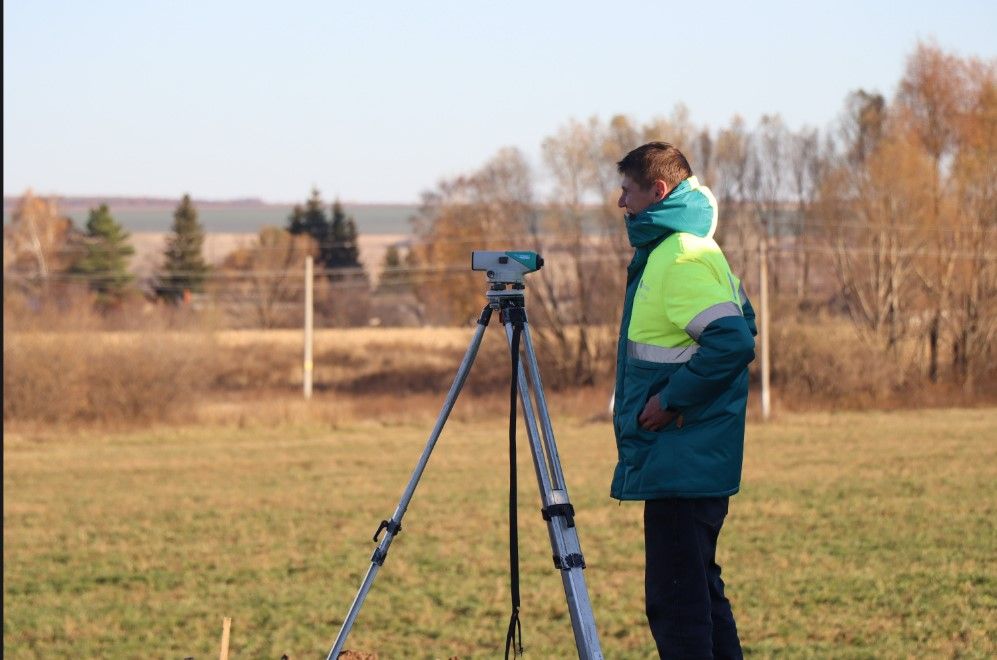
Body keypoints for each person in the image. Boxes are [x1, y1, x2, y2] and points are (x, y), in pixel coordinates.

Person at [611, 142, 757, 659]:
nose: (620, 202)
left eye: (627, 190)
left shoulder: (680, 256)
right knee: (700, 592)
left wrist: (673, 399)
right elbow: (747, 322)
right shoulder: (698, 249)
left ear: (659, 191)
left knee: (677, 606)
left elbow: (735, 341)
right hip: (691, 457)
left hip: (680, 458)